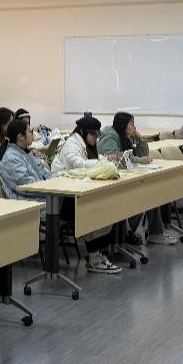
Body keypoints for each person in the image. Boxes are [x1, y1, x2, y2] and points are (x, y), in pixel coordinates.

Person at [47, 117, 123, 273]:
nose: (95, 138)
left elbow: (94, 160)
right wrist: (103, 163)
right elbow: (79, 164)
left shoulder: (87, 144)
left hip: (77, 192)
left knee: (108, 206)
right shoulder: (72, 144)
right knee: (94, 210)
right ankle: (95, 258)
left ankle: (97, 255)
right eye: (93, 135)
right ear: (83, 132)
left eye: (96, 135)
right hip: (63, 198)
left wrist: (107, 159)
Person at [99, 113, 176, 247]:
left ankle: (142, 234)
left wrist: (140, 139)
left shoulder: (123, 137)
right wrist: (139, 160)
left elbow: (142, 155)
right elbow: (115, 160)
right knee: (144, 197)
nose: (134, 127)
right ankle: (130, 234)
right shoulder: (110, 138)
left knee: (149, 194)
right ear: (123, 125)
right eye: (131, 124)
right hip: (109, 184)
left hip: (124, 179)